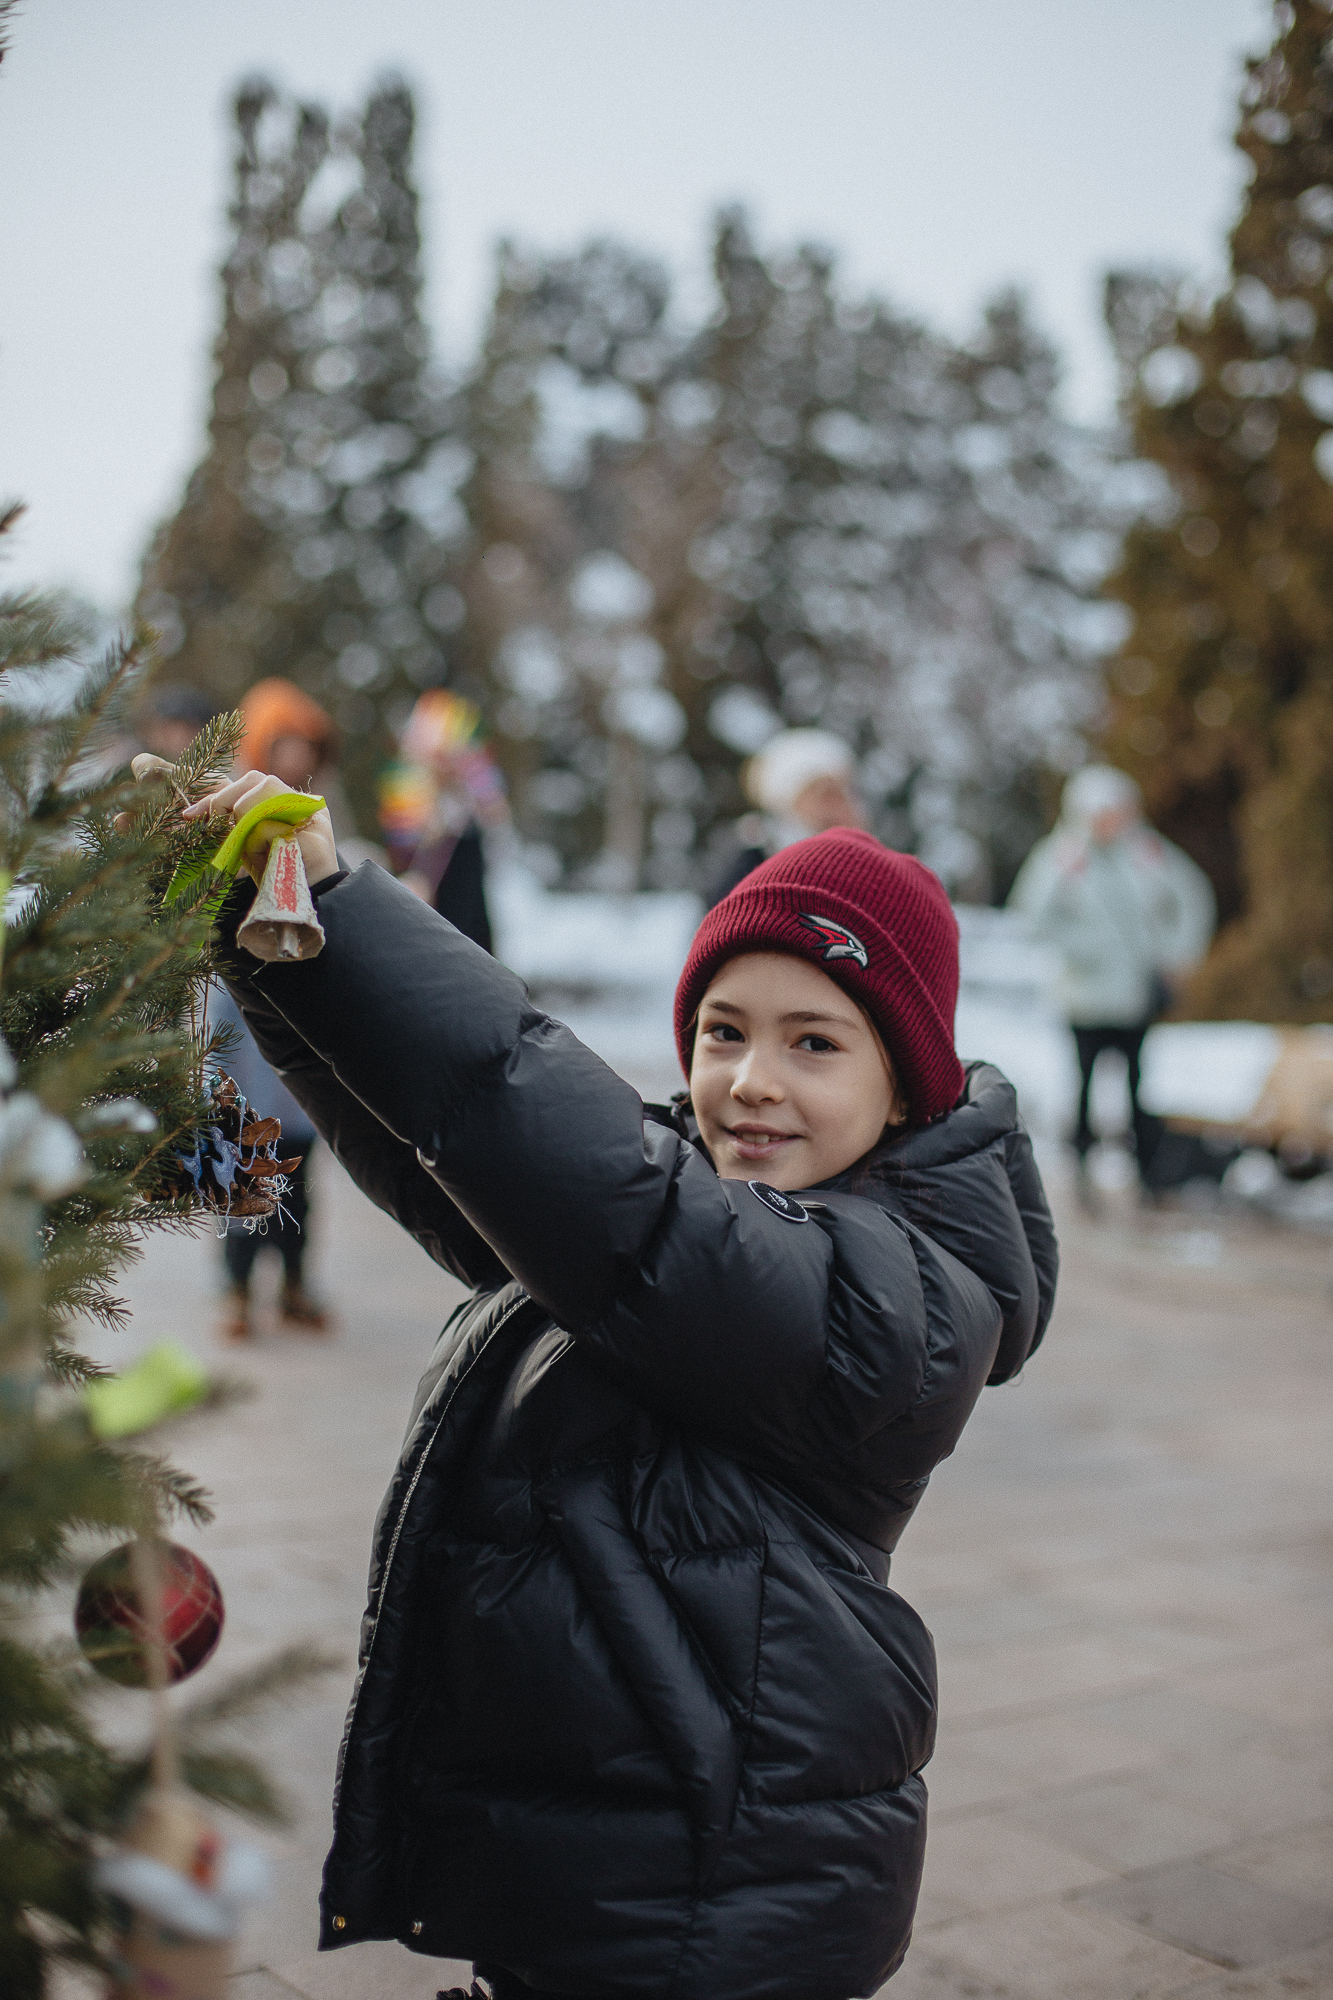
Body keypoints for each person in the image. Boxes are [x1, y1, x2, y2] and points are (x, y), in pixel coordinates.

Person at [187, 762, 1057, 2000]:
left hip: (710, 1889)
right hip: (620, 1853)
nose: (751, 1078)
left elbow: (562, 1148)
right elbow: (459, 1154)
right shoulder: (714, 1215)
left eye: (814, 1041)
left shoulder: (884, 1294)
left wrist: (343, 907)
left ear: (906, 1087)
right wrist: (275, 945)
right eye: (724, 1030)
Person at [1009, 764, 1215, 1198]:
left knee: (1138, 1083)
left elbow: (1192, 897)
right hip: (1083, 998)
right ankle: (1081, 1163)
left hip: (1134, 996)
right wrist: (1085, 949)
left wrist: (1176, 955)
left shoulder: (1145, 852)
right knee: (1083, 1083)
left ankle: (1147, 1170)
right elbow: (1031, 916)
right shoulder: (1063, 855)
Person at [208, 981, 328, 1339]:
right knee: (240, 1205)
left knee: (296, 1202)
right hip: (243, 1119)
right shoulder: (231, 981)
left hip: (294, 1112)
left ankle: (294, 1288)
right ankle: (237, 1292)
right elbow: (215, 1048)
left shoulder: (307, 976)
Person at [377, 688, 507, 951]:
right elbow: (402, 840)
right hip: (435, 878)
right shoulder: (412, 786)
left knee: (470, 924)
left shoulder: (470, 786)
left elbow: (495, 813)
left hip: (462, 867)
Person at [707, 726, 866, 906]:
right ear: (789, 805)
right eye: (825, 794)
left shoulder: (870, 861)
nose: (840, 805)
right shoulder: (754, 873)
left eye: (847, 791)